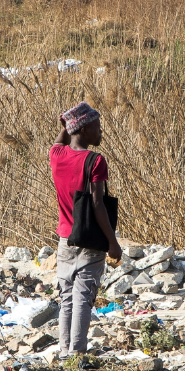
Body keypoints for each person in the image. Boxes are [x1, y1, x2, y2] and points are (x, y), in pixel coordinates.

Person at [50, 101, 121, 355]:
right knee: (83, 298)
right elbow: (97, 204)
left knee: (67, 297)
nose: (100, 132)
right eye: (97, 127)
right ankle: (77, 353)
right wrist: (112, 242)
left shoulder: (56, 156)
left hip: (64, 239)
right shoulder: (95, 161)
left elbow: (58, 143)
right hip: (91, 240)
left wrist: (65, 126)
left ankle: (64, 353)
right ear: (84, 130)